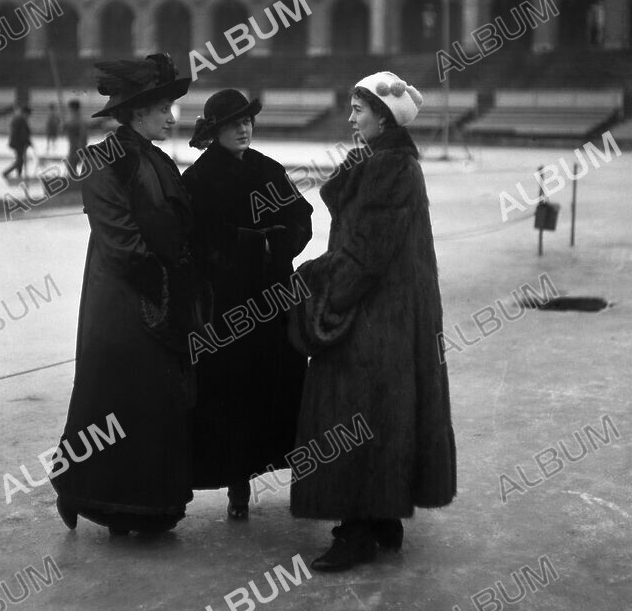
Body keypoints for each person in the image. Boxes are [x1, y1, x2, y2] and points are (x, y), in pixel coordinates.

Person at [288, 72, 456, 571]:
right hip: (393, 311)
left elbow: (368, 252)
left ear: (383, 115)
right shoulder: (381, 160)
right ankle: (384, 515)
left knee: (354, 413)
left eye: (358, 109)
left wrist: (319, 283)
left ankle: (358, 527)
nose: (351, 117)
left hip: (376, 313)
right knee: (386, 411)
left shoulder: (389, 168)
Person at [51, 53, 206, 536]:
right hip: (121, 299)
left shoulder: (155, 156)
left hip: (159, 293)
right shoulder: (104, 160)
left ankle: (148, 504)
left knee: (154, 401)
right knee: (114, 396)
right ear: (137, 112)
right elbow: (120, 238)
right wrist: (161, 288)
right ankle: (86, 490)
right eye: (163, 108)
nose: (171, 116)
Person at [181, 89, 313, 518]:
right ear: (214, 130)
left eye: (248, 121)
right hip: (230, 311)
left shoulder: (267, 169)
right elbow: (197, 244)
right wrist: (250, 248)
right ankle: (237, 488)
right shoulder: (197, 181)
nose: (243, 129)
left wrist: (278, 244)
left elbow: (301, 219)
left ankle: (304, 482)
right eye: (233, 123)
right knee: (234, 396)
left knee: (282, 390)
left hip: (275, 304)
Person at [1, 105, 32, 183]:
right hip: (19, 143)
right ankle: (7, 172)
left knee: (20, 159)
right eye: (28, 115)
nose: (28, 117)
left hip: (19, 143)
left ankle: (19, 175)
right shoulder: (20, 120)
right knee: (20, 160)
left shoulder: (19, 118)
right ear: (25, 113)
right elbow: (22, 133)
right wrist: (27, 141)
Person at [63, 99, 88, 176]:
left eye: (70, 108)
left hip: (77, 146)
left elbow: (83, 134)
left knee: (71, 165)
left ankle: (76, 183)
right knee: (71, 166)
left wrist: (81, 147)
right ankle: (75, 182)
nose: (69, 110)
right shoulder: (72, 118)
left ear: (74, 108)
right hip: (72, 146)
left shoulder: (79, 119)